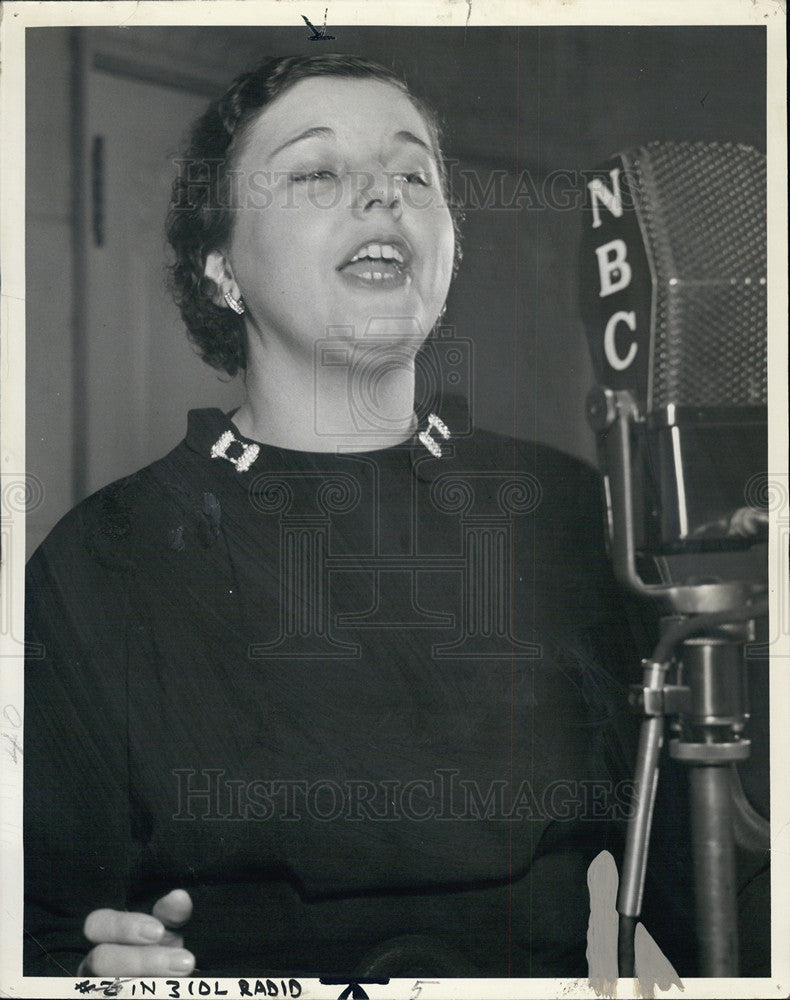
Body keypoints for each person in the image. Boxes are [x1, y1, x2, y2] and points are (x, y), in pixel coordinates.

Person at [24, 53, 641, 979]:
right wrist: (85, 974)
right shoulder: (102, 559)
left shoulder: (575, 513)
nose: (381, 197)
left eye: (411, 173)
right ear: (223, 270)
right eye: (317, 173)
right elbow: (39, 931)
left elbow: (711, 885)